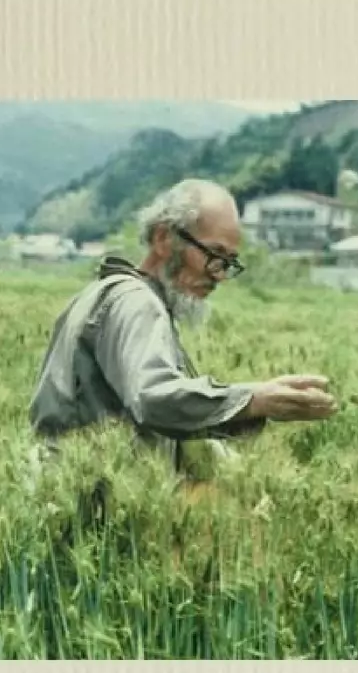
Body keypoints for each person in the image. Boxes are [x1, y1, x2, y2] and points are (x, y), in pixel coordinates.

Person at [30, 179, 338, 471]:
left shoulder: (106, 293)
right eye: (214, 254)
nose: (219, 274)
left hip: (74, 487)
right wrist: (254, 400)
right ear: (164, 238)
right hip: (90, 500)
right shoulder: (137, 303)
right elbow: (153, 398)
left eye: (229, 262)